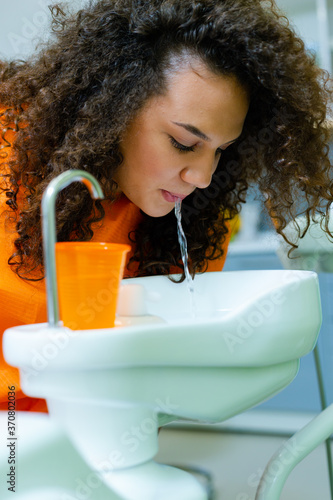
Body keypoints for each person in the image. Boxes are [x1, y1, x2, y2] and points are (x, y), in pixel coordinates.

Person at [0, 0, 332, 411]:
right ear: (114, 103)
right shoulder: (10, 146)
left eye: (220, 151)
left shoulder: (192, 222)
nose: (203, 177)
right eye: (183, 143)